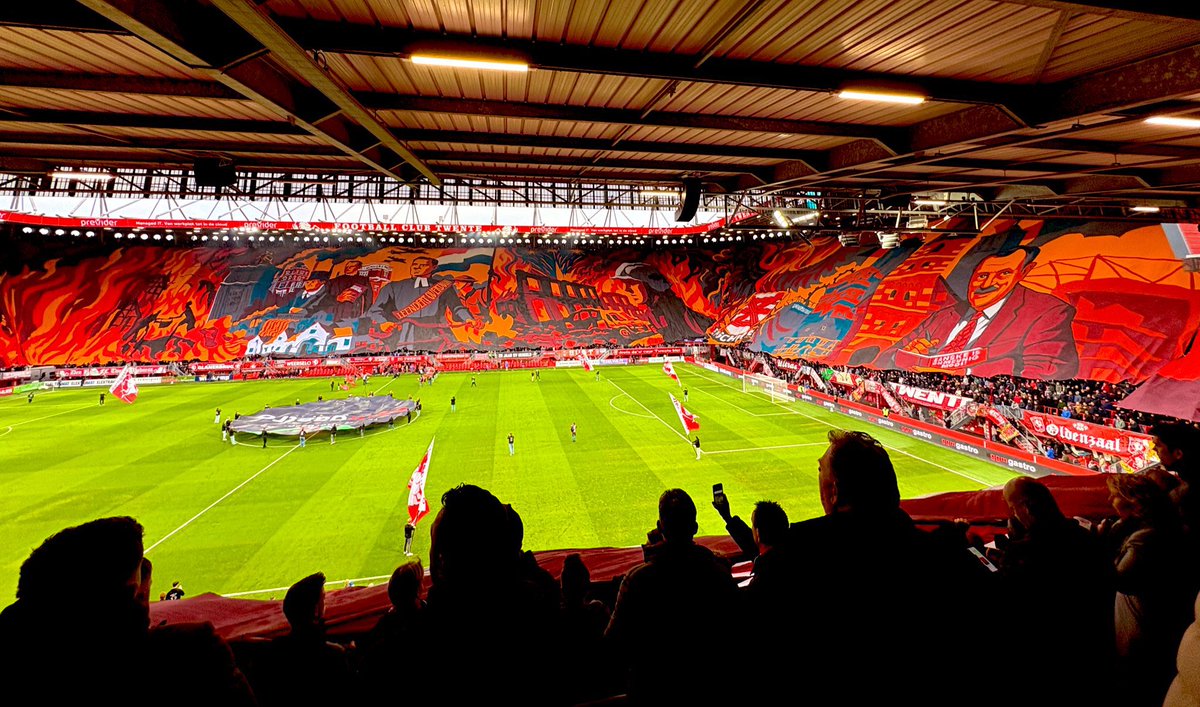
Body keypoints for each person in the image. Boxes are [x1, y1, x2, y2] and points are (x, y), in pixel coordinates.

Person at [606, 489, 738, 703]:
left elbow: (612, 647)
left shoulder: (637, 580)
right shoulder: (719, 573)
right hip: (711, 690)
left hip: (653, 692)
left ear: (660, 528)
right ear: (695, 528)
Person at [879, 245, 1079, 378]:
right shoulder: (945, 315)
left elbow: (1047, 371)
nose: (988, 283)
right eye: (982, 275)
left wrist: (963, 372)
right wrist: (904, 355)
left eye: (1004, 274)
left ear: (1023, 273)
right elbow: (887, 355)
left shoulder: (1047, 311)